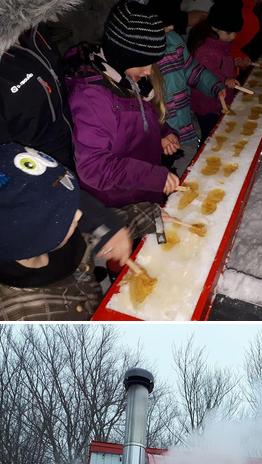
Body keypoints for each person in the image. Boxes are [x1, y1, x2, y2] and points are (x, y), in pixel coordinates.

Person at [0, 0, 133, 275]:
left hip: (66, 168)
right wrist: (97, 220)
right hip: (34, 209)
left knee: (80, 257)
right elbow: (14, 183)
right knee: (62, 274)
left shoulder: (31, 29)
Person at [65, 1, 179, 240]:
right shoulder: (91, 97)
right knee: (134, 263)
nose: (149, 70)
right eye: (144, 62)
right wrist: (152, 176)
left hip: (144, 186)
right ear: (122, 54)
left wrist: (162, 132)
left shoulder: (128, 77)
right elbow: (93, 167)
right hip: (118, 204)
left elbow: (142, 115)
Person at [0, 143, 125, 320]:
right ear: (30, 235)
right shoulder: (21, 315)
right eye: (63, 214)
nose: (79, 213)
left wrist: (151, 215)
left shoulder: (62, 232)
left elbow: (99, 229)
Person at [150, 1, 233, 174]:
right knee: (166, 169)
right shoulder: (146, 54)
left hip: (184, 119)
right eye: (166, 25)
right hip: (163, 126)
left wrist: (215, 86)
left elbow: (193, 70)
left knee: (187, 162)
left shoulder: (174, 40)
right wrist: (159, 132)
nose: (172, 27)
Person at [188, 0, 244, 142]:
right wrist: (225, 80)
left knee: (219, 131)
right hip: (207, 103)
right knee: (211, 135)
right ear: (215, 27)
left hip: (221, 97)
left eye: (235, 33)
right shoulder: (205, 49)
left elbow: (221, 64)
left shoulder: (221, 44)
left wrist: (234, 63)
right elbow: (206, 73)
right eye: (229, 32)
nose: (233, 37)